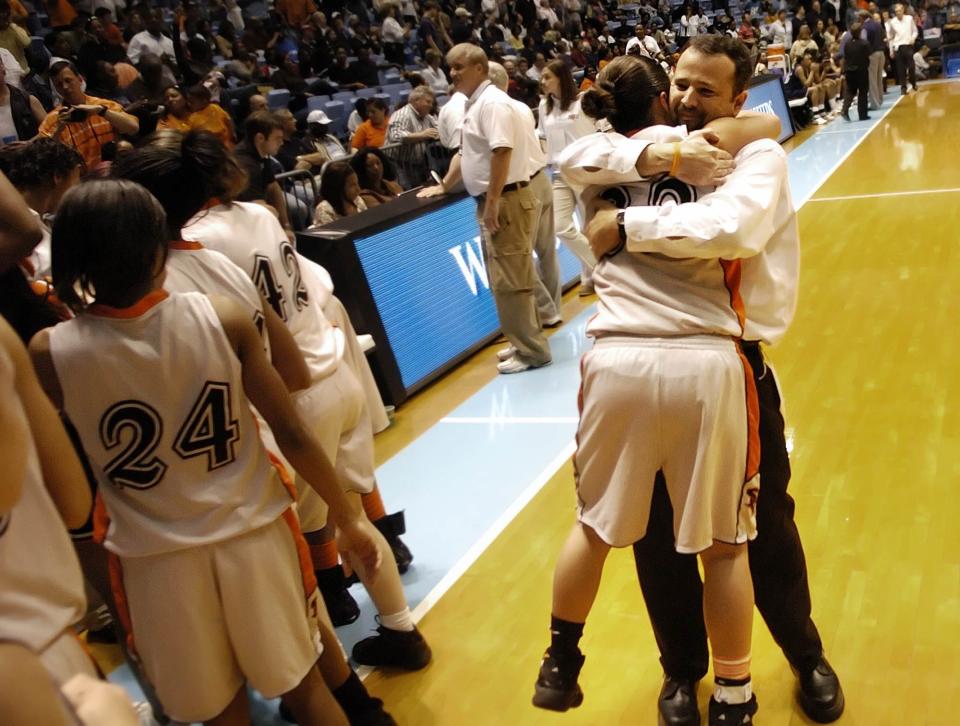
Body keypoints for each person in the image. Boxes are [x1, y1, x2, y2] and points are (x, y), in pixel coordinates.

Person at [30, 178, 382, 725]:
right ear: (156, 250)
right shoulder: (222, 316)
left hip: (154, 560)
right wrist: (348, 519)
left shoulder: (51, 352)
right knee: (306, 690)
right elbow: (291, 431)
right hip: (253, 534)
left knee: (220, 715)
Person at [580, 34, 844, 726]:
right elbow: (574, 154)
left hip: (735, 366)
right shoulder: (647, 146)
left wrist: (623, 225)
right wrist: (645, 163)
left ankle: (803, 653)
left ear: (736, 99)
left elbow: (729, 229)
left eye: (707, 90)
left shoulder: (755, 155)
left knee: (766, 529)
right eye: (681, 83)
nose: (689, 99)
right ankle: (681, 673)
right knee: (656, 534)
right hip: (645, 365)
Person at [533, 53, 769, 725]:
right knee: (724, 549)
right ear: (665, 100)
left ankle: (561, 660)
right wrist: (689, 151)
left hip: (619, 358)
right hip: (703, 359)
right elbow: (756, 128)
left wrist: (627, 214)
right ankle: (733, 695)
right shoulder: (712, 151)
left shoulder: (596, 154)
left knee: (594, 527)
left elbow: (580, 162)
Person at [168, 133, 425, 663]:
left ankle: (316, 668)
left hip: (294, 391)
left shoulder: (197, 245)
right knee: (351, 513)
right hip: (336, 368)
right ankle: (401, 629)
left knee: (296, 542)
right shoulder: (261, 213)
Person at [419, 43, 551, 375]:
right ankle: (522, 341)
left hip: (505, 200)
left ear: (479, 69)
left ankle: (532, 350)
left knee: (513, 280)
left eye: (459, 67)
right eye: (450, 68)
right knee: (504, 279)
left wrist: (492, 202)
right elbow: (469, 153)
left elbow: (501, 153)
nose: (452, 74)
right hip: (495, 200)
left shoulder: (491, 104)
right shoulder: (476, 104)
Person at [488, 60, 561, 329]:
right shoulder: (521, 107)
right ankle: (553, 311)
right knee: (546, 253)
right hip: (542, 177)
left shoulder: (493, 111)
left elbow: (500, 152)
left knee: (518, 257)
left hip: (523, 186)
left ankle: (545, 311)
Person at [536, 58, 597, 296]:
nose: (542, 81)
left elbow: (593, 135)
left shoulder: (583, 103)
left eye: (547, 77)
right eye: (542, 77)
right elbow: (541, 135)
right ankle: (601, 267)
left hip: (584, 171)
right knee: (561, 226)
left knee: (588, 226)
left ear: (561, 77)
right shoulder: (543, 106)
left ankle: (589, 277)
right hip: (558, 174)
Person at [37, 61, 139, 174]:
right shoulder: (52, 119)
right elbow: (46, 159)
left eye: (68, 80)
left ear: (80, 79)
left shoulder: (103, 105)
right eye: (59, 85)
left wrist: (101, 111)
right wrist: (59, 129)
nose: (65, 87)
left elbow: (133, 128)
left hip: (113, 173)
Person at [3, 138, 82, 280]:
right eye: (75, 181)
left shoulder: (47, 220)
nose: (77, 190)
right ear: (57, 177)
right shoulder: (15, 228)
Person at [233, 110, 294, 237]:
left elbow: (273, 186)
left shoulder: (262, 153)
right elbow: (259, 209)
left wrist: (286, 226)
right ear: (260, 138)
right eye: (277, 138)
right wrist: (281, 234)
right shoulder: (245, 164)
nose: (282, 143)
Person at [386, 84, 439, 187]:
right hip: (397, 163)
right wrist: (422, 135)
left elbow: (438, 128)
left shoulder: (427, 116)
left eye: (431, 103)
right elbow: (395, 135)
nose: (431, 105)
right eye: (428, 102)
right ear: (416, 101)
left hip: (416, 163)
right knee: (406, 191)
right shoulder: (402, 114)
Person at [0, 58, 44, 145]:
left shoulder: (28, 100)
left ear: (3, 68)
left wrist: (29, 143)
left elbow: (51, 130)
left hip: (31, 155)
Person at [313, 159, 368, 225]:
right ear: (338, 187)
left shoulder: (358, 201)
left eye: (357, 183)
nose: (358, 189)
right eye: (352, 185)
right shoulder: (324, 209)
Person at [185, 83, 234, 148]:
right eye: (188, 101)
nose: (189, 104)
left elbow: (228, 120)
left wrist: (233, 134)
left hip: (226, 143)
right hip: (211, 147)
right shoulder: (192, 117)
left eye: (192, 102)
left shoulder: (215, 108)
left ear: (204, 101)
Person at [841, 20, 871, 120]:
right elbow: (868, 55)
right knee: (862, 92)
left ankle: (844, 109)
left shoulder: (847, 44)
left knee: (850, 91)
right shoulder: (864, 43)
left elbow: (845, 57)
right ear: (859, 32)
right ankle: (862, 115)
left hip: (849, 71)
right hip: (861, 71)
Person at [887, 3, 918, 94]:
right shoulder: (892, 22)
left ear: (903, 10)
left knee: (911, 67)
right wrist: (891, 50)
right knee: (900, 69)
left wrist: (913, 38)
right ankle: (903, 88)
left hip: (908, 45)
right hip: (898, 46)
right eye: (896, 11)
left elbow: (915, 31)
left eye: (899, 11)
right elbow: (891, 36)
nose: (898, 13)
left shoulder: (909, 19)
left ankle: (913, 82)